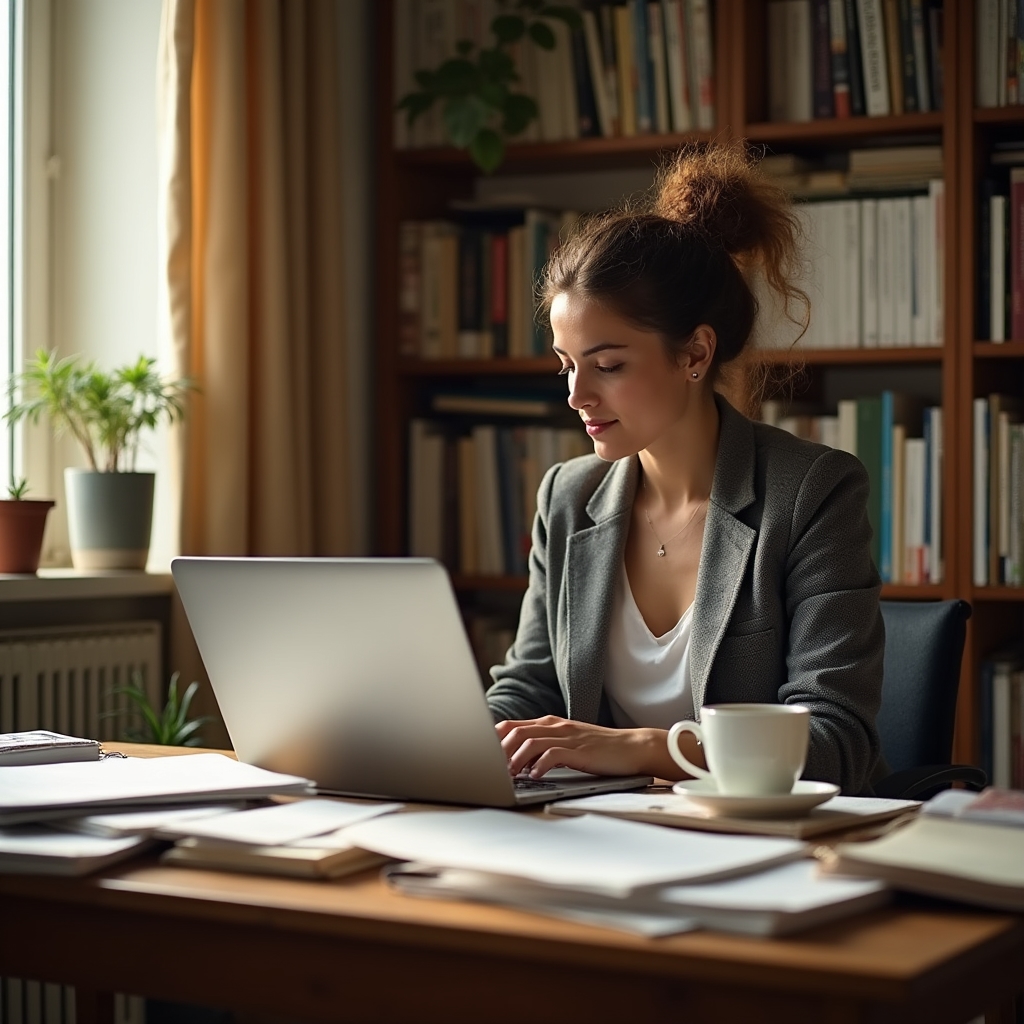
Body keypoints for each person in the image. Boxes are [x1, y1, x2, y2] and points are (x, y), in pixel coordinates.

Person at [485, 142, 885, 796]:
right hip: (600, 837)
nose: (576, 395)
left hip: (764, 848)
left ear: (695, 352)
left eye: (608, 365)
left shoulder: (811, 493)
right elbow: (530, 688)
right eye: (566, 364)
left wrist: (642, 749)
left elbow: (836, 739)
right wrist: (456, 743)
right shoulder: (566, 495)